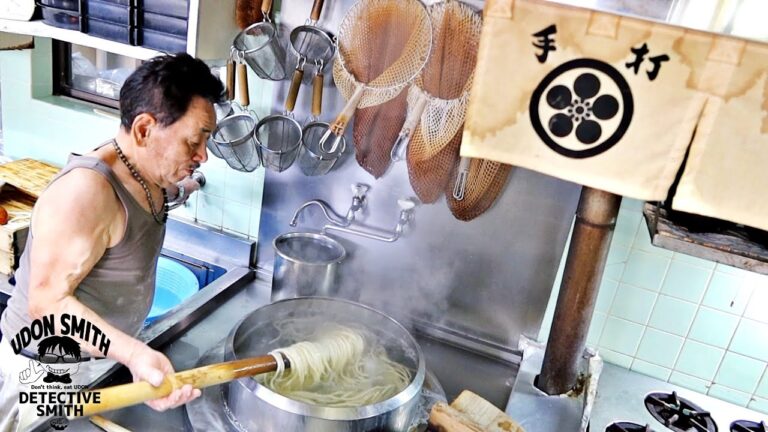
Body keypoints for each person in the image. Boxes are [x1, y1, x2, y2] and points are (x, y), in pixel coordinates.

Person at [0, 53, 224, 431]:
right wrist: (135, 355)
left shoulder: (148, 170)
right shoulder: (85, 193)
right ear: (144, 129)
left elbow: (160, 198)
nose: (203, 156)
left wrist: (184, 187)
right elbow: (47, 305)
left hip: (99, 362)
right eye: (193, 141)